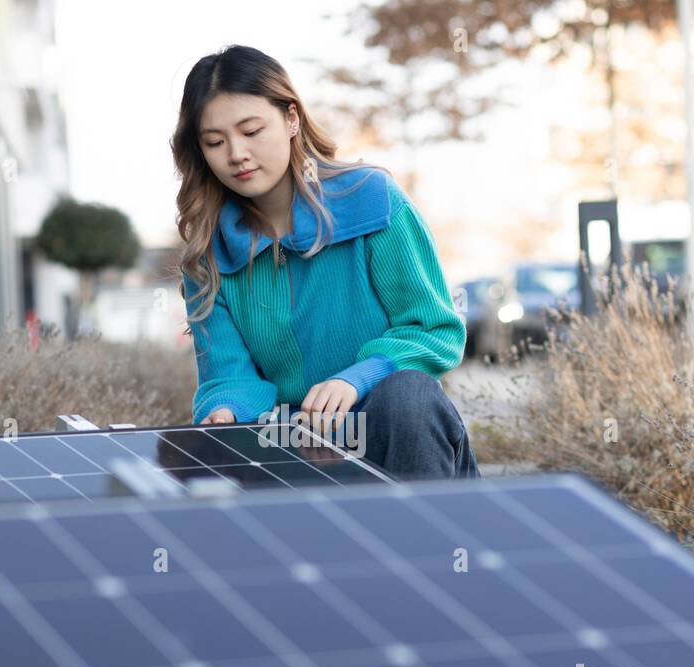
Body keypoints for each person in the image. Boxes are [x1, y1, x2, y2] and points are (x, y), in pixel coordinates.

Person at [171, 44, 480, 481]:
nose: (236, 153)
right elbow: (228, 377)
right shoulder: (207, 258)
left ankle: (433, 546)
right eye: (215, 142)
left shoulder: (372, 201)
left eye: (252, 131)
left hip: (394, 436)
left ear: (291, 119)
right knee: (202, 456)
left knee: (408, 395)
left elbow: (433, 331)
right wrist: (226, 411)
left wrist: (357, 379)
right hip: (294, 452)